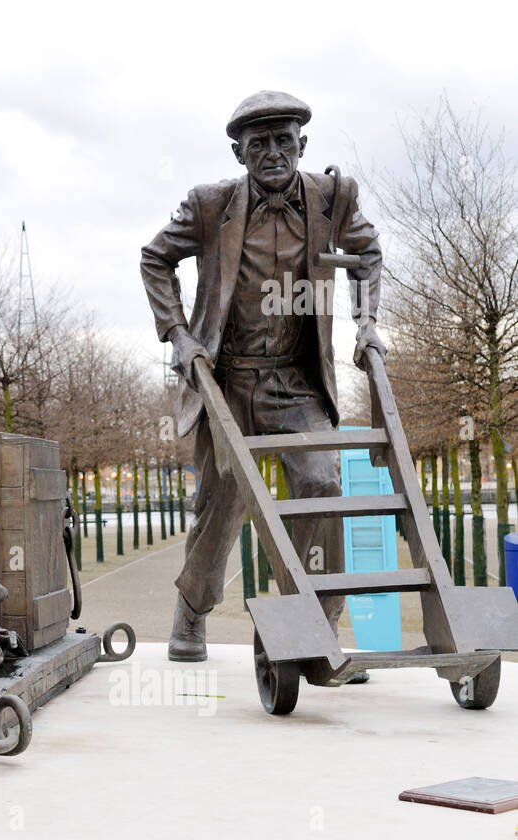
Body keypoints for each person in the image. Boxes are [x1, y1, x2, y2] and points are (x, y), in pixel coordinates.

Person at [140, 91, 384, 664]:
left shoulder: (334, 197)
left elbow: (368, 253)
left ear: (303, 143)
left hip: (297, 381)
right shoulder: (209, 205)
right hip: (226, 379)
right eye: (258, 144)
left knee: (322, 482)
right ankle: (193, 610)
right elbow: (154, 257)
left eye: (283, 140)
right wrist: (178, 335)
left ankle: (316, 624)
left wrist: (366, 323)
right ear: (238, 152)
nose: (272, 153)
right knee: (222, 499)